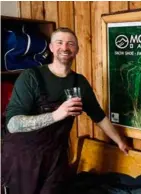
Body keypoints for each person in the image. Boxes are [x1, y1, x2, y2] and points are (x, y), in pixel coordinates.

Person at [1, 27, 131, 194]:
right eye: (59, 42)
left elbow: (98, 116)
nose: (65, 47)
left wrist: (119, 141)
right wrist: (57, 114)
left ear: (76, 49)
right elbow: (13, 124)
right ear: (51, 47)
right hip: (22, 158)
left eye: (71, 43)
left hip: (56, 156)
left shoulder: (79, 82)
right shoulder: (30, 77)